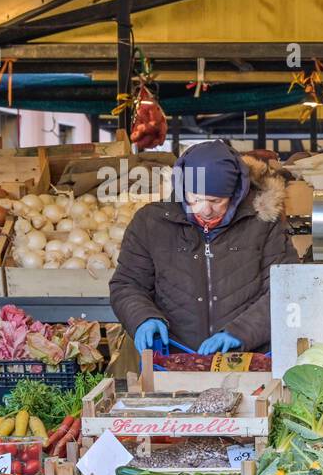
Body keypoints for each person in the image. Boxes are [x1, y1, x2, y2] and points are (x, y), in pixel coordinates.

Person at [111, 140, 297, 357]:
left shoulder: (263, 224)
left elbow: (288, 288)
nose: (206, 210)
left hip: (247, 358)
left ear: (236, 193)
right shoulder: (151, 223)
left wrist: (242, 332)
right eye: (195, 198)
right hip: (174, 358)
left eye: (216, 200)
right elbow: (127, 284)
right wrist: (142, 317)